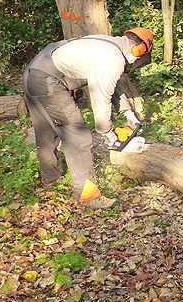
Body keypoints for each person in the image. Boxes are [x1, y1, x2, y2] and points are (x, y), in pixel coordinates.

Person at [22, 27, 153, 210]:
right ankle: (88, 197)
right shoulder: (113, 58)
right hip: (47, 81)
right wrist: (108, 133)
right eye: (138, 58)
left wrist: (128, 114)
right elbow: (101, 97)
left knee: (47, 131)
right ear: (137, 49)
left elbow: (112, 84)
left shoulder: (110, 46)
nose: (134, 62)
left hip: (33, 72)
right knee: (79, 136)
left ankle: (51, 182)